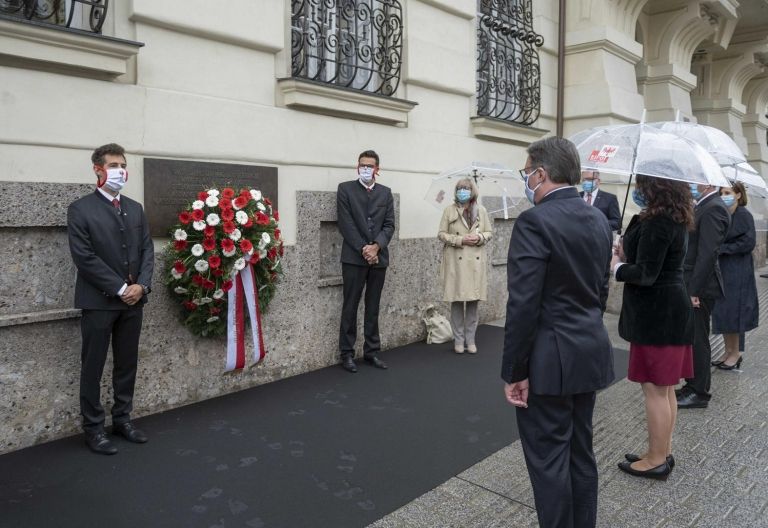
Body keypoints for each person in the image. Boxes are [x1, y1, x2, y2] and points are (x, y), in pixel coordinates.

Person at [502, 137, 614, 528]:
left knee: (550, 462)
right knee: (581, 454)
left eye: (527, 173)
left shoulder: (535, 221)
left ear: (542, 173)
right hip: (588, 351)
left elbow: (522, 304)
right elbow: (600, 290)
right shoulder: (597, 218)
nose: (526, 180)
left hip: (549, 362)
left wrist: (515, 371)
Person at [67, 143, 154, 455]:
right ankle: (93, 428)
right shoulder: (80, 210)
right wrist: (120, 288)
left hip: (134, 303)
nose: (120, 171)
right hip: (100, 303)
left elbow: (147, 250)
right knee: (93, 366)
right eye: (114, 165)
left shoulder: (135, 208)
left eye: (122, 165)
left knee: (127, 363)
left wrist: (142, 286)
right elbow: (85, 258)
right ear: (98, 169)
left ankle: (123, 419)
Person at [611, 175, 694, 480]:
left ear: (654, 189)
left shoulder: (659, 223)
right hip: (668, 312)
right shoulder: (672, 218)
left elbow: (646, 274)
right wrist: (624, 249)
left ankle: (656, 459)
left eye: (641, 186)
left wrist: (617, 267)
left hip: (658, 315)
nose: (637, 192)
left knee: (655, 389)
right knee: (665, 388)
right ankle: (661, 450)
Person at [337, 150, 395, 373]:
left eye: (370, 166)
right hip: (354, 258)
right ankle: (347, 353)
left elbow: (389, 225)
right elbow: (346, 223)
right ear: (357, 167)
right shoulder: (346, 189)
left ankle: (371, 351)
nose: (366, 169)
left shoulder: (385, 193)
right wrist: (364, 248)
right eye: (362, 165)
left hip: (379, 258)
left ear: (377, 169)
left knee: (373, 307)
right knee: (350, 306)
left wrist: (376, 246)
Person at [676, 182, 730, 409]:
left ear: (708, 183)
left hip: (701, 288)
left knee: (699, 339)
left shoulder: (714, 207)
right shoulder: (704, 205)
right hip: (694, 284)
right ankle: (692, 384)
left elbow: (708, 254)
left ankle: (699, 392)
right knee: (692, 337)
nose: (693, 183)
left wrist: (693, 290)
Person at [437, 178, 493, 354]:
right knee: (456, 302)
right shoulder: (449, 210)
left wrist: (480, 238)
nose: (463, 191)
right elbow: (441, 234)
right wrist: (459, 239)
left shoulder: (481, 210)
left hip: (474, 263)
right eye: (460, 188)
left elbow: (489, 232)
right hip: (456, 260)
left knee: (472, 304)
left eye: (466, 188)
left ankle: (471, 339)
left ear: (472, 191)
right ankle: (458, 340)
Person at [711, 181, 759, 370]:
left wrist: (723, 248)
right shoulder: (722, 213)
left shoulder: (744, 215)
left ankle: (736, 353)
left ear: (738, 194)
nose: (723, 195)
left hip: (738, 269)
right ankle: (727, 350)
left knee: (735, 311)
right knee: (723, 312)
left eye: (727, 192)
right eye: (721, 192)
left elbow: (748, 242)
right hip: (722, 268)